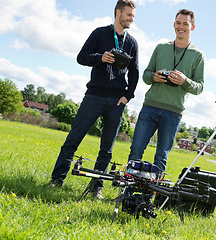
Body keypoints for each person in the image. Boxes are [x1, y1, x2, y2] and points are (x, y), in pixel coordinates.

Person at [50, 0, 139, 200]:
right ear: (118, 13)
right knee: (73, 139)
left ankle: (96, 187)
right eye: (129, 15)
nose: (132, 19)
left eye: (133, 16)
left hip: (117, 101)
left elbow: (135, 72)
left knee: (106, 149)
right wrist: (100, 57)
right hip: (94, 96)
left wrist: (127, 96)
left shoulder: (132, 43)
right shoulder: (99, 33)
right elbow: (81, 57)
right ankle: (57, 180)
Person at [128, 9, 204, 174]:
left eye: (185, 23)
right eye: (178, 23)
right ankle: (128, 194)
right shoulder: (161, 47)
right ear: (174, 24)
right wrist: (154, 76)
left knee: (161, 156)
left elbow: (199, 87)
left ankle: (153, 198)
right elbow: (146, 75)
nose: (181, 26)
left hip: (173, 113)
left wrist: (185, 81)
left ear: (193, 27)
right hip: (150, 107)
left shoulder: (198, 55)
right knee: (136, 151)